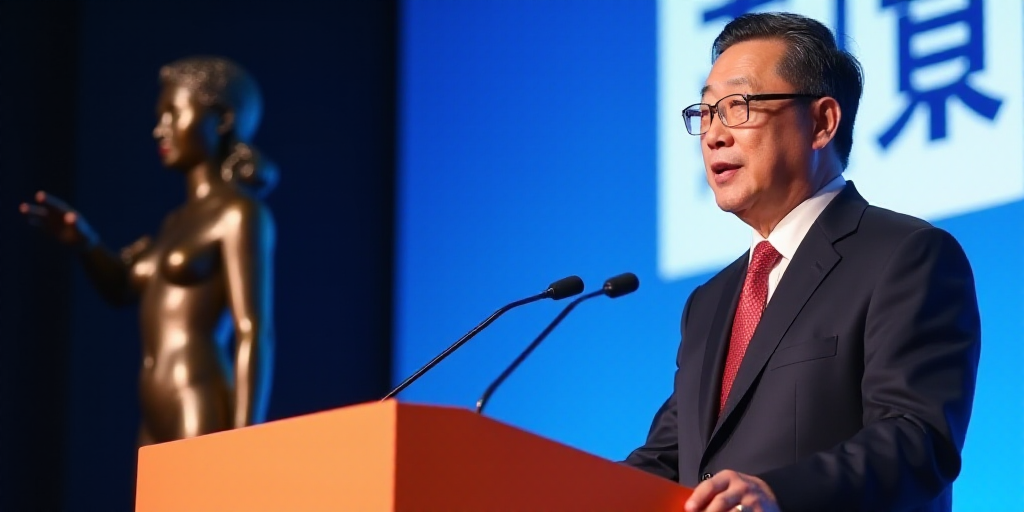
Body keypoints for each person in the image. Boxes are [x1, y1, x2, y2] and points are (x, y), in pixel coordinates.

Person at [622, 12, 980, 512]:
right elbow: (669, 459)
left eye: (738, 106)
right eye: (705, 113)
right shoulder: (709, 302)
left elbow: (917, 440)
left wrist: (778, 494)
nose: (713, 135)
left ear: (821, 122)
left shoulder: (905, 255)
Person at [19, 56, 276, 446]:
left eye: (173, 113)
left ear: (222, 119)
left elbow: (253, 329)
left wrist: (244, 438)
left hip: (197, 394)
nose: (160, 130)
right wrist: (85, 243)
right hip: (154, 401)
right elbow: (122, 289)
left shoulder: (239, 214)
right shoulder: (173, 223)